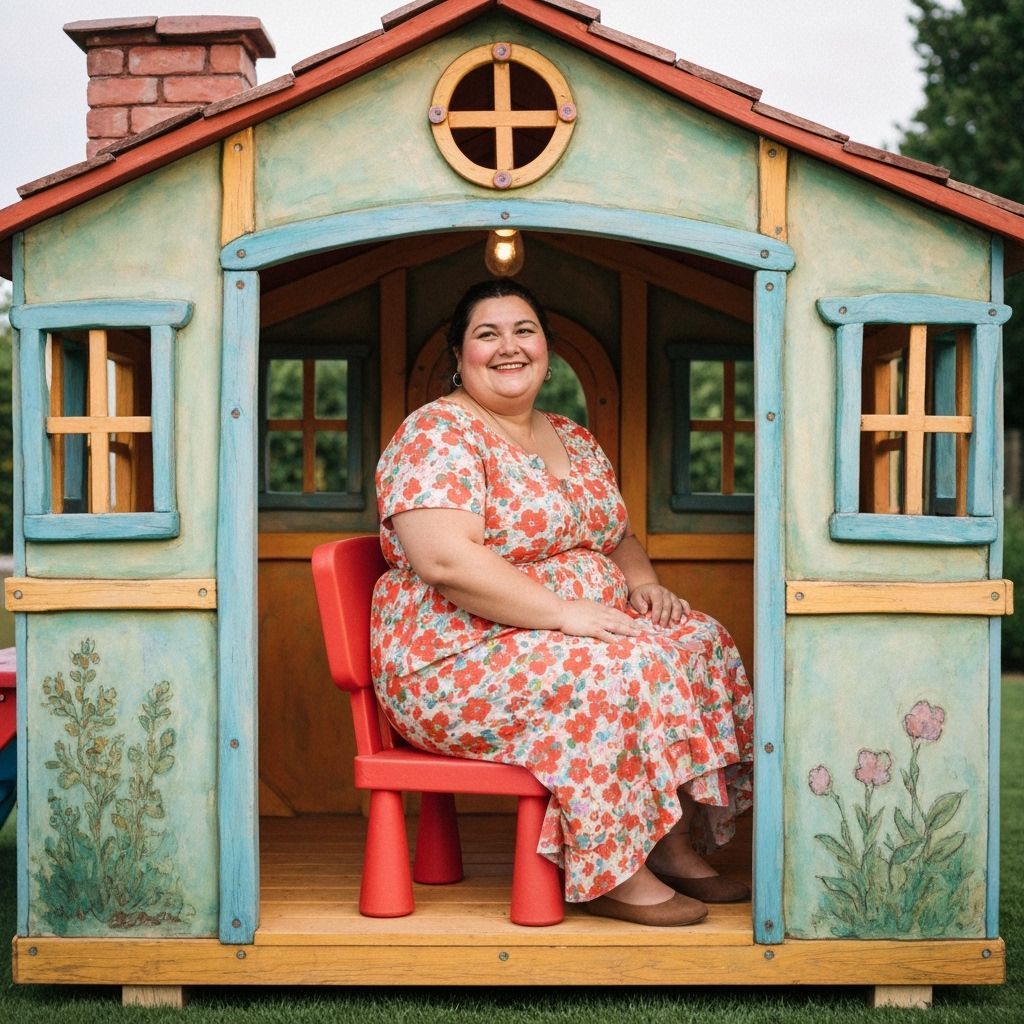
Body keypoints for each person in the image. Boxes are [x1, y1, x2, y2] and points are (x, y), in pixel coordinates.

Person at [371, 279, 753, 926]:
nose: (508, 347)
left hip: (552, 634)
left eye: (524, 331)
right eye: (486, 334)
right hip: (455, 656)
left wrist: (642, 583)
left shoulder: (572, 438)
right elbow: (445, 560)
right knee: (620, 668)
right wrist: (565, 613)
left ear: (546, 348)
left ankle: (668, 839)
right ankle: (611, 867)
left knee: (699, 641)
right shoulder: (436, 434)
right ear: (457, 356)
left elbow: (618, 535)